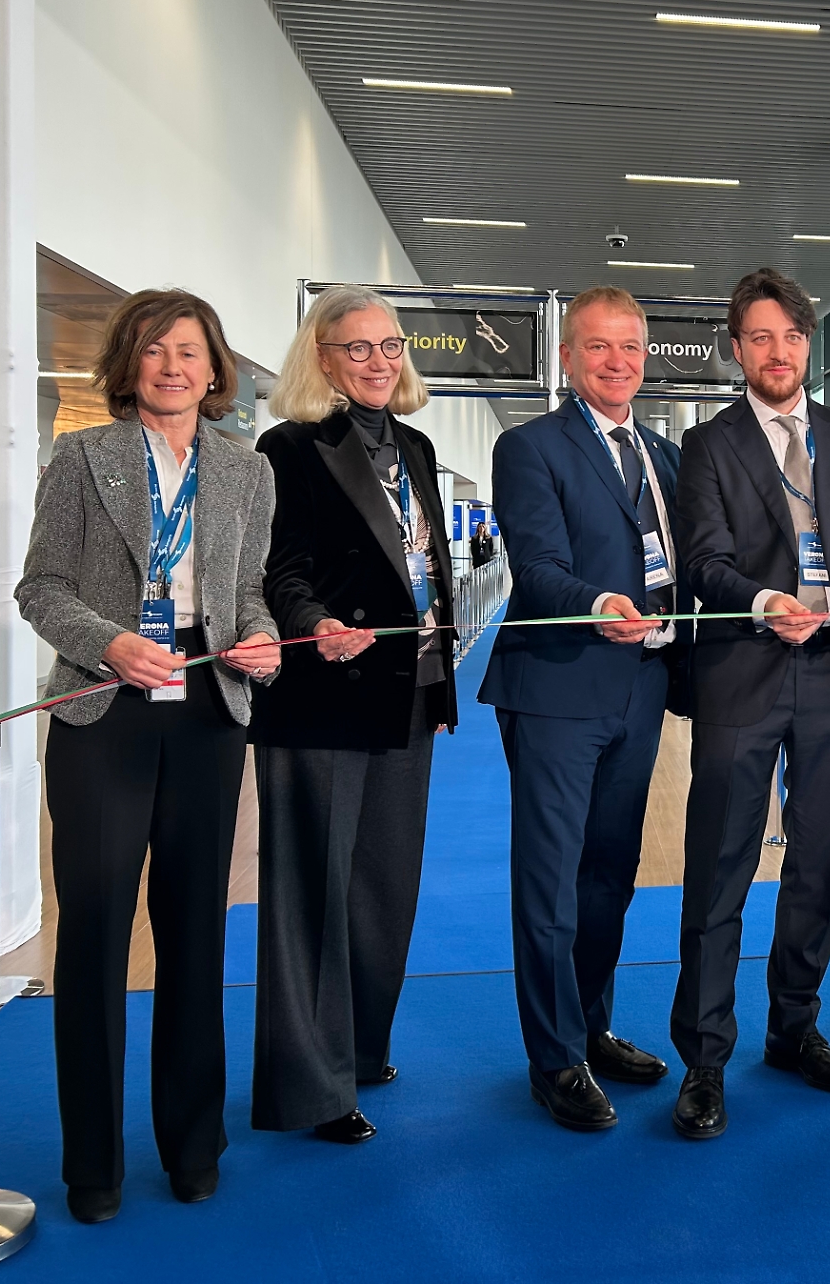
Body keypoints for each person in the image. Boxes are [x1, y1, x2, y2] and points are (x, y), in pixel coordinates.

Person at [17, 289, 281, 1223]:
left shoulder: (246, 469)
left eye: (190, 351)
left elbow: (249, 590)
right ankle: (93, 1163)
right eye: (156, 349)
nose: (173, 366)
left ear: (216, 371)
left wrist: (260, 637)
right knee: (93, 932)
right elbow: (42, 586)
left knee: (196, 929)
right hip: (105, 714)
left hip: (208, 708)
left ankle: (192, 1142)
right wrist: (109, 644)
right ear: (130, 364)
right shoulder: (82, 456)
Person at [669, 267, 830, 1140]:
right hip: (744, 670)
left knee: (815, 865)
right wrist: (763, 601)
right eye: (760, 339)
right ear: (737, 350)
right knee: (720, 868)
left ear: (809, 344)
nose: (778, 353)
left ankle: (793, 1028)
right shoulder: (708, 444)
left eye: (791, 337)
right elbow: (702, 561)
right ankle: (705, 1057)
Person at [249, 284, 459, 1146]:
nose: (378, 361)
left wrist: (440, 685)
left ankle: (362, 1048)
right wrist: (314, 624)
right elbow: (278, 569)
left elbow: (428, 572)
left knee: (384, 888)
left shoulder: (414, 445)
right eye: (358, 347)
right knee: (313, 899)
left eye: (390, 345)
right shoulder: (288, 448)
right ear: (322, 357)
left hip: (407, 694)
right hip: (323, 698)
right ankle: (312, 1088)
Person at [480, 285, 686, 1130]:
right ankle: (555, 1058)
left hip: (643, 685)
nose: (616, 362)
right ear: (567, 357)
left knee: (610, 872)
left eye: (630, 346)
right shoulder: (530, 447)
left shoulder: (666, 456)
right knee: (551, 878)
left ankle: (592, 1025)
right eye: (598, 346)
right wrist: (598, 604)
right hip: (559, 687)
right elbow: (536, 568)